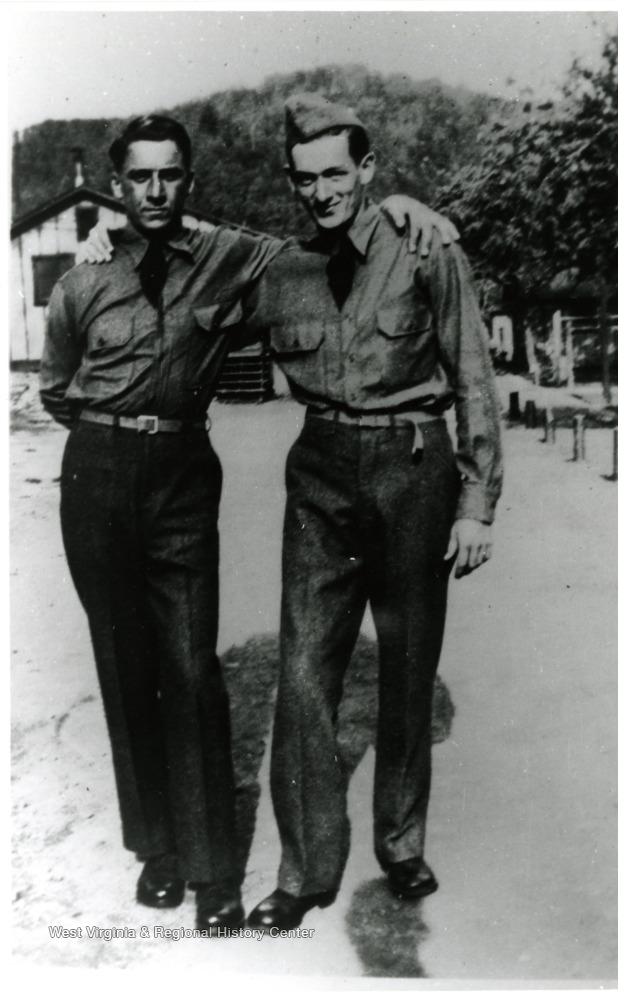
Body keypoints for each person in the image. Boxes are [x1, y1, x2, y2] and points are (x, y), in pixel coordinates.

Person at [42, 112, 459, 934]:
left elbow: (332, 236)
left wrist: (404, 204)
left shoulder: (237, 257)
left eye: (170, 175)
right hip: (100, 469)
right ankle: (163, 852)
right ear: (117, 186)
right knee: (126, 666)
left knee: (193, 668)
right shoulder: (83, 278)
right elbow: (58, 387)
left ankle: (217, 875)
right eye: (139, 177)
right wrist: (110, 431)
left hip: (191, 472)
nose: (154, 190)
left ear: (189, 182)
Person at [239, 94, 503, 932]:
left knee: (407, 665)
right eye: (305, 178)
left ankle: (401, 843)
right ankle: (304, 870)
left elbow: (472, 374)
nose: (321, 192)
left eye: (335, 174)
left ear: (367, 169)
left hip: (412, 469)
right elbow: (193, 267)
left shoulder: (426, 245)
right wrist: (108, 244)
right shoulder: (282, 266)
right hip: (320, 473)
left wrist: (477, 501)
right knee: (303, 674)